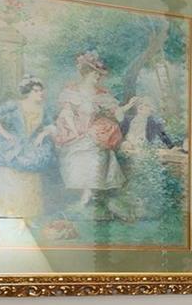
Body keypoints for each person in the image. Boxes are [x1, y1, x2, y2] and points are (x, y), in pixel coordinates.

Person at [52, 50, 132, 213]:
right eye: (96, 74)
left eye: (100, 75)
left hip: (94, 133)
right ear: (87, 73)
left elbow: (117, 114)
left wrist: (128, 106)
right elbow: (66, 113)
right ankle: (87, 195)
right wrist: (75, 131)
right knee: (75, 157)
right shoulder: (71, 92)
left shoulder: (102, 95)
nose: (98, 77)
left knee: (97, 155)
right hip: (76, 132)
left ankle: (90, 195)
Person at [0, 77, 56, 220]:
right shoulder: (14, 105)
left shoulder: (43, 108)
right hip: (13, 146)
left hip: (32, 147)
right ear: (28, 92)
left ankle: (27, 213)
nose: (41, 93)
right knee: (8, 176)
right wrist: (5, 134)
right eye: (36, 91)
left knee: (30, 177)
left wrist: (42, 135)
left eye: (41, 90)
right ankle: (3, 211)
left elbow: (51, 126)